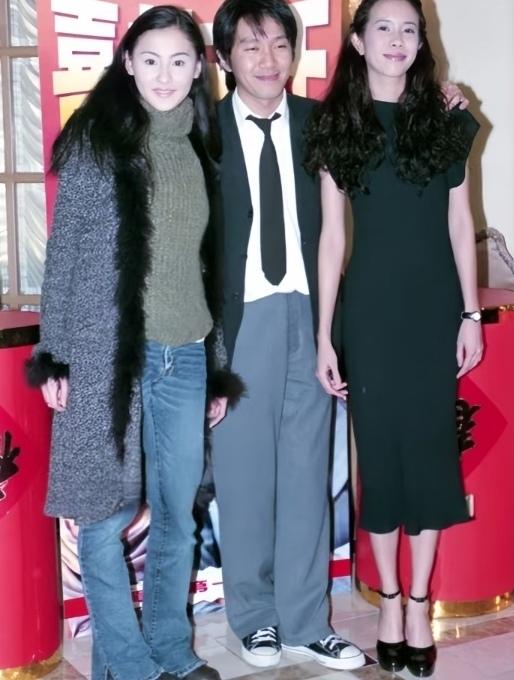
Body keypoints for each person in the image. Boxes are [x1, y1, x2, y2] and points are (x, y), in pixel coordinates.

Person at [26, 6, 241, 680]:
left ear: (199, 67)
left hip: (185, 354)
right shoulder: (98, 142)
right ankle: (126, 664)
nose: (164, 75)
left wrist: (216, 367)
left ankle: (171, 650)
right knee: (102, 514)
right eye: (150, 60)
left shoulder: (201, 147)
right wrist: (55, 355)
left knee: (177, 514)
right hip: (109, 356)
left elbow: (205, 267)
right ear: (127, 63)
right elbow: (64, 254)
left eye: (179, 61)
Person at [306, 0, 483, 676]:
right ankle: (386, 600)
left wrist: (470, 315)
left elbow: (460, 222)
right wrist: (325, 336)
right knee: (379, 460)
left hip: (435, 311)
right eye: (383, 27)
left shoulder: (445, 118)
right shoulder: (337, 127)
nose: (398, 39)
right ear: (358, 40)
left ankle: (418, 602)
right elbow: (331, 240)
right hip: (370, 315)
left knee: (432, 457)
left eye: (410, 28)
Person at [208, 0, 367, 671]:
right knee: (244, 477)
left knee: (307, 472)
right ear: (224, 57)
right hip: (239, 322)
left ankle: (306, 620)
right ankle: (254, 618)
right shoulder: (202, 129)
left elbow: (385, 128)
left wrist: (439, 101)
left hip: (311, 315)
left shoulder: (317, 123)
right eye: (251, 46)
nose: (268, 59)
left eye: (279, 43)